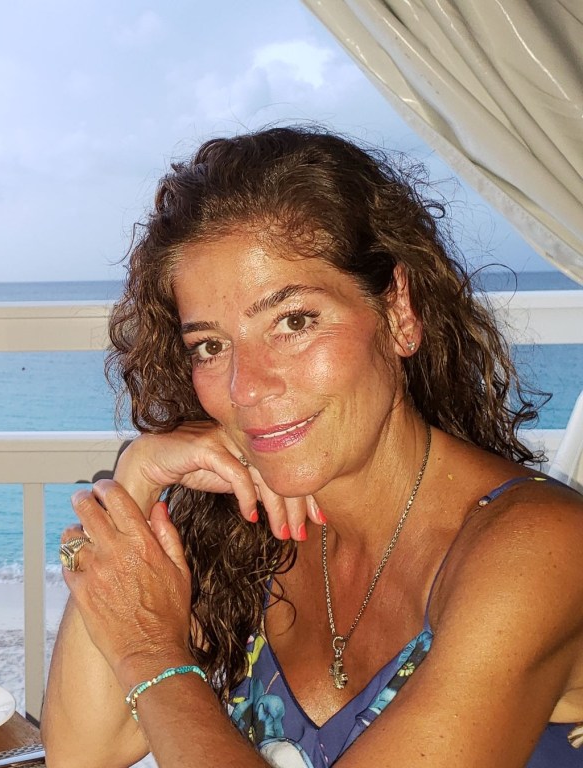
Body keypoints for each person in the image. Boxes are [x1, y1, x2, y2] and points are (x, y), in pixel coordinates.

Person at [39, 126, 583, 767]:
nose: (247, 388)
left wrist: (151, 651)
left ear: (398, 312)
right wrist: (134, 482)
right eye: (211, 346)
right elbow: (83, 751)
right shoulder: (258, 525)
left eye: (293, 322)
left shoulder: (539, 546)